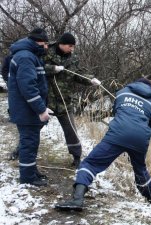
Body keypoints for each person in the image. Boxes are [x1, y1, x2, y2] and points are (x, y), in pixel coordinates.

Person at [55, 78, 151, 211]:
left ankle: (77, 199)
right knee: (140, 170)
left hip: (117, 134)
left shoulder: (122, 93)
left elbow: (116, 111)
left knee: (90, 164)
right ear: (150, 89)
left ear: (135, 84)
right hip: (140, 140)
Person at [8, 32, 101, 168]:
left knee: (71, 130)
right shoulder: (44, 52)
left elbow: (78, 74)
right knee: (32, 130)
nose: (72, 49)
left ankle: (76, 157)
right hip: (46, 101)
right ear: (61, 44)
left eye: (73, 46)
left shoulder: (73, 59)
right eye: (70, 46)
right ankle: (19, 151)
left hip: (64, 101)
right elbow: (34, 67)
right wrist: (52, 69)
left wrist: (90, 80)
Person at [8, 28, 51, 187]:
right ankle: (27, 177)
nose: (46, 47)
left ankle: (31, 171)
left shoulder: (29, 55)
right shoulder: (26, 57)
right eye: (44, 43)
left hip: (26, 109)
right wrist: (41, 109)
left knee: (32, 142)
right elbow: (28, 87)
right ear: (36, 42)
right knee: (29, 143)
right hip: (27, 110)